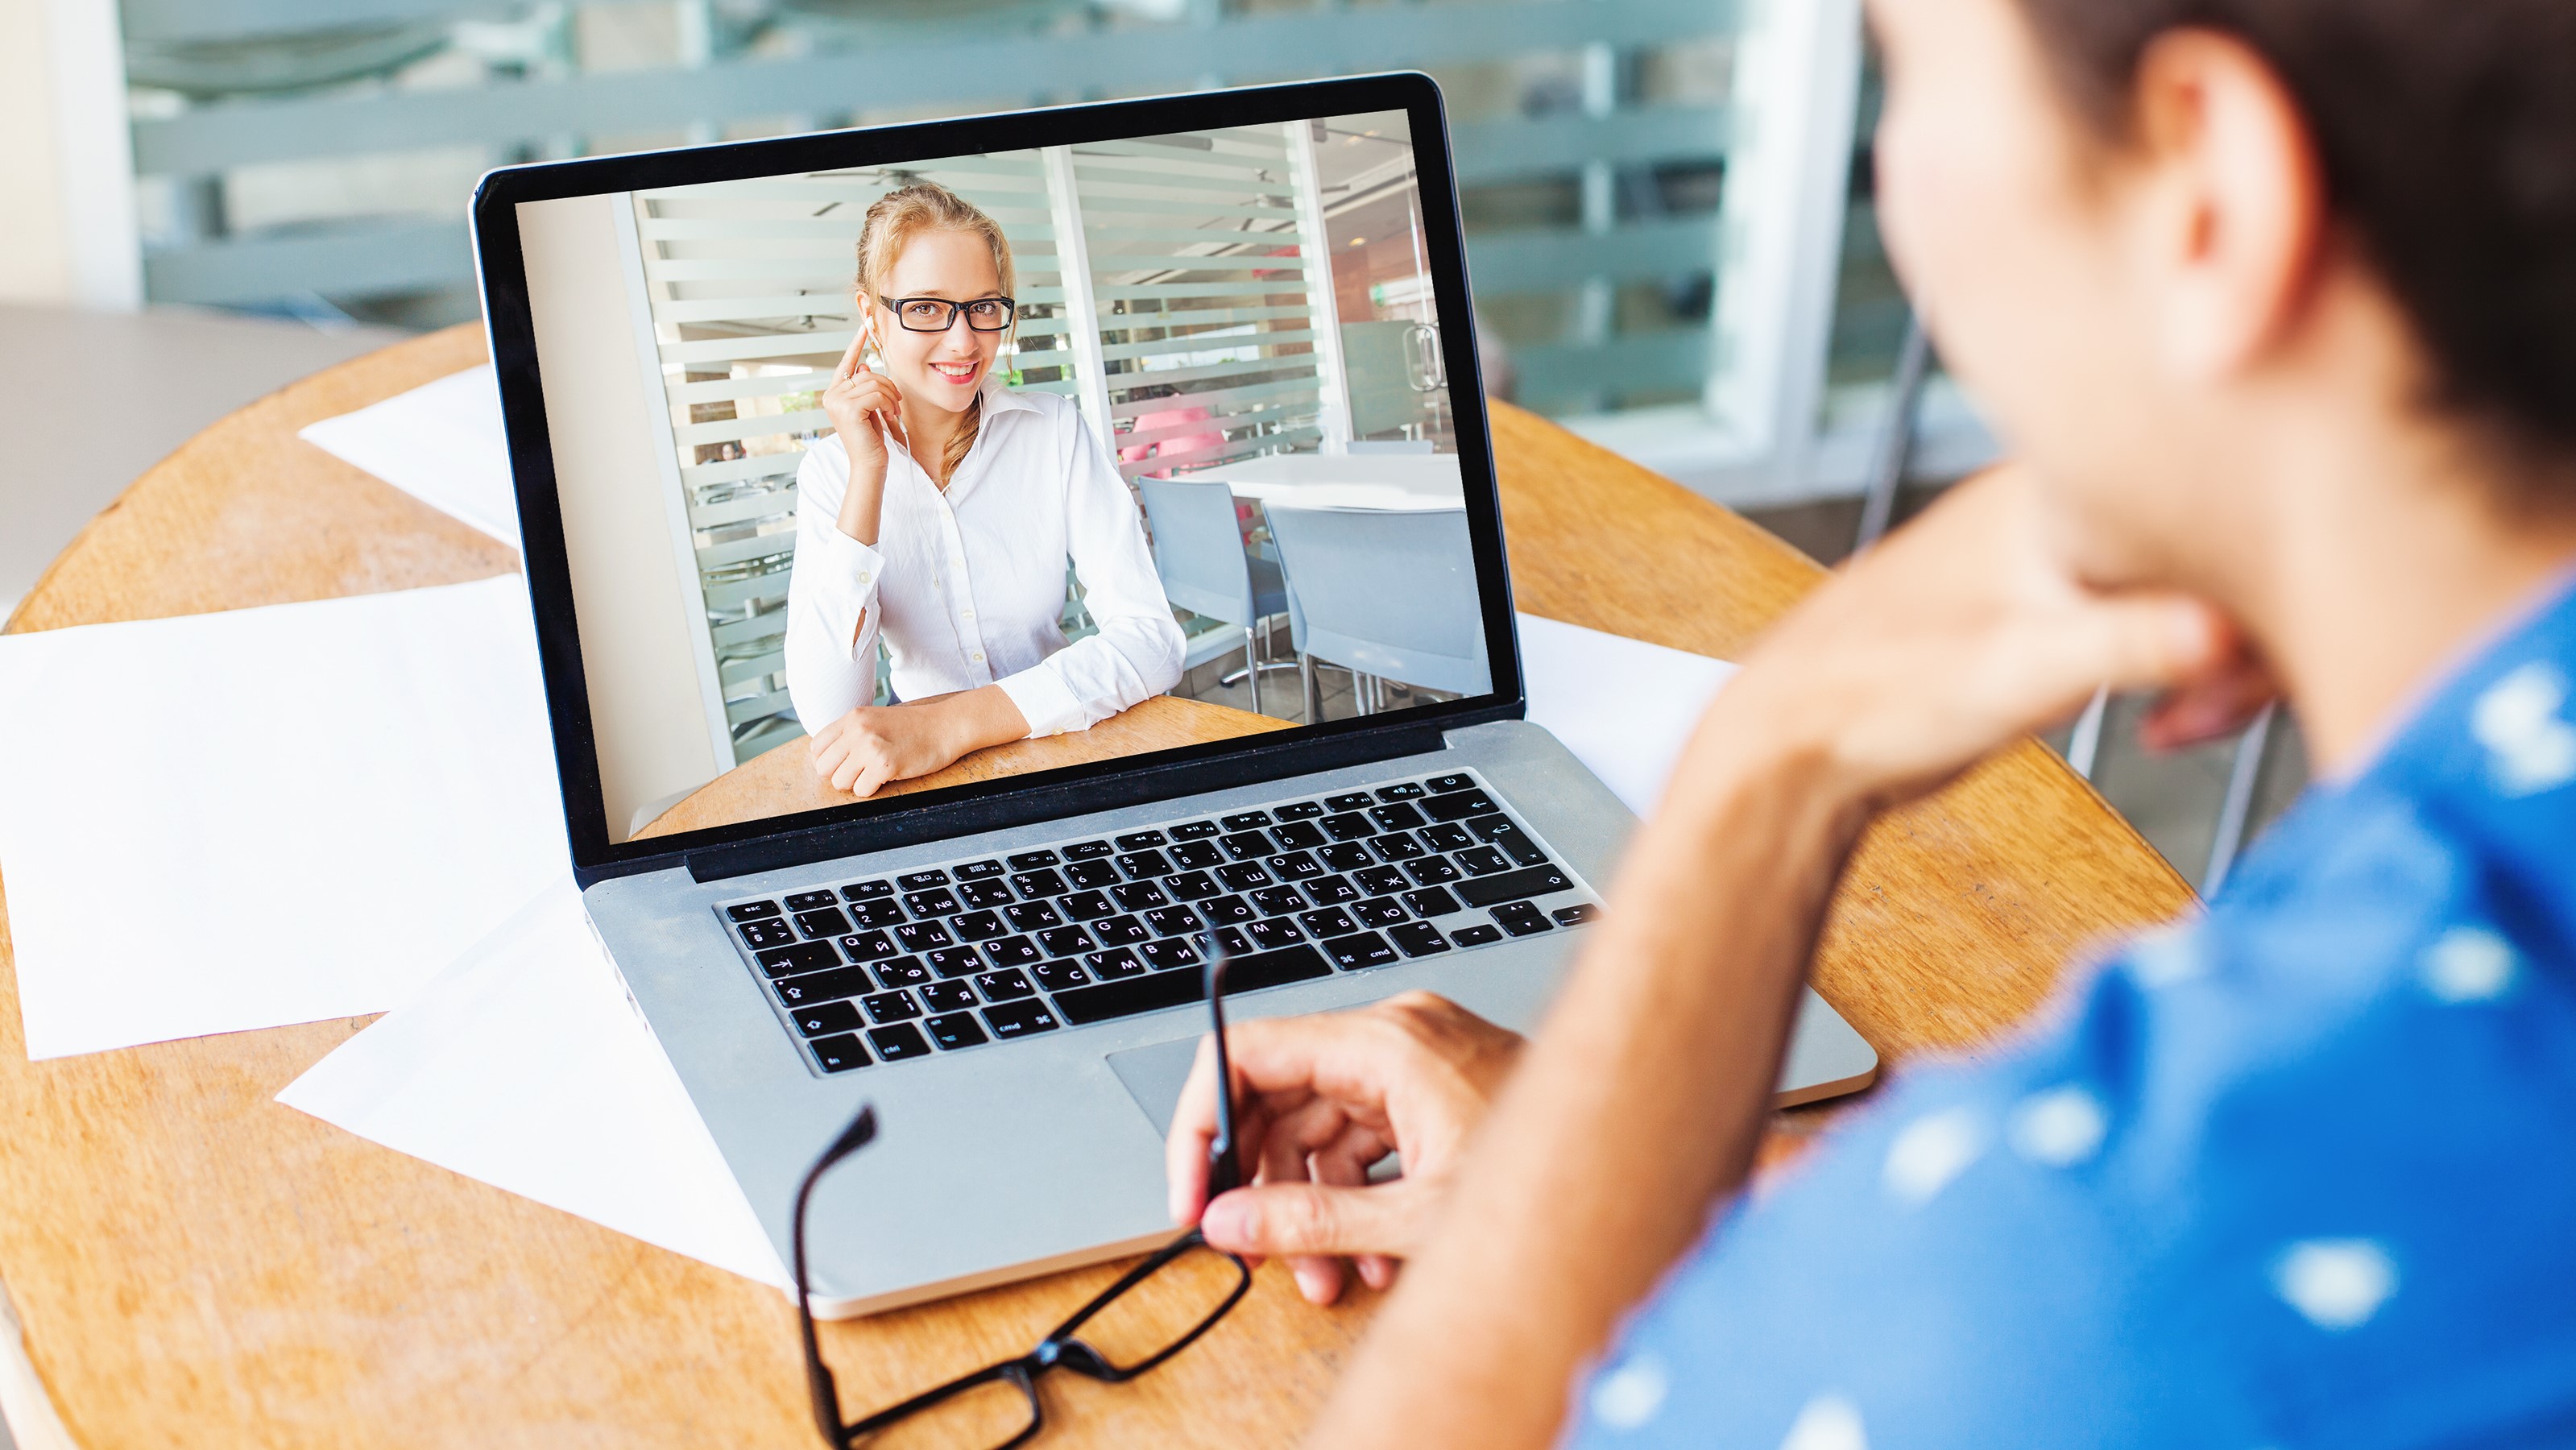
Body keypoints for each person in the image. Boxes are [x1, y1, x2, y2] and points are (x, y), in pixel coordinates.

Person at [1163, 0, 2576, 1444]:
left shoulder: (2120, 1272)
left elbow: (2021, 1305)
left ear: (2208, 195)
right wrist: (1602, 1162)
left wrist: (1762, 769)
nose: (1887, 188)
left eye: (1902, 74)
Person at [785, 182, 1184, 798]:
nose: (964, 341)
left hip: (1061, 735)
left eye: (984, 307)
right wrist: (868, 472)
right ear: (870, 315)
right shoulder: (832, 471)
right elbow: (830, 714)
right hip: (918, 776)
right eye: (925, 308)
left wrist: (953, 724)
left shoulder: (1051, 431)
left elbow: (1153, 641)